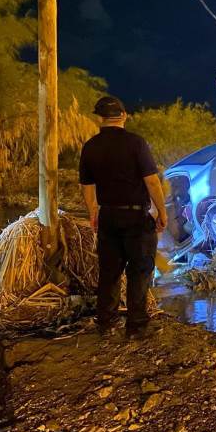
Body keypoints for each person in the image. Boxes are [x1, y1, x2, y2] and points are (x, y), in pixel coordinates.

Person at [78, 96, 168, 334]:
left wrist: (93, 213)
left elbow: (87, 186)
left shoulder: (90, 146)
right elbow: (151, 181)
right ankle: (136, 326)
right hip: (136, 217)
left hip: (108, 216)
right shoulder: (136, 143)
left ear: (99, 118)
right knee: (139, 271)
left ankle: (106, 323)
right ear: (124, 115)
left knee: (109, 272)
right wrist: (162, 210)